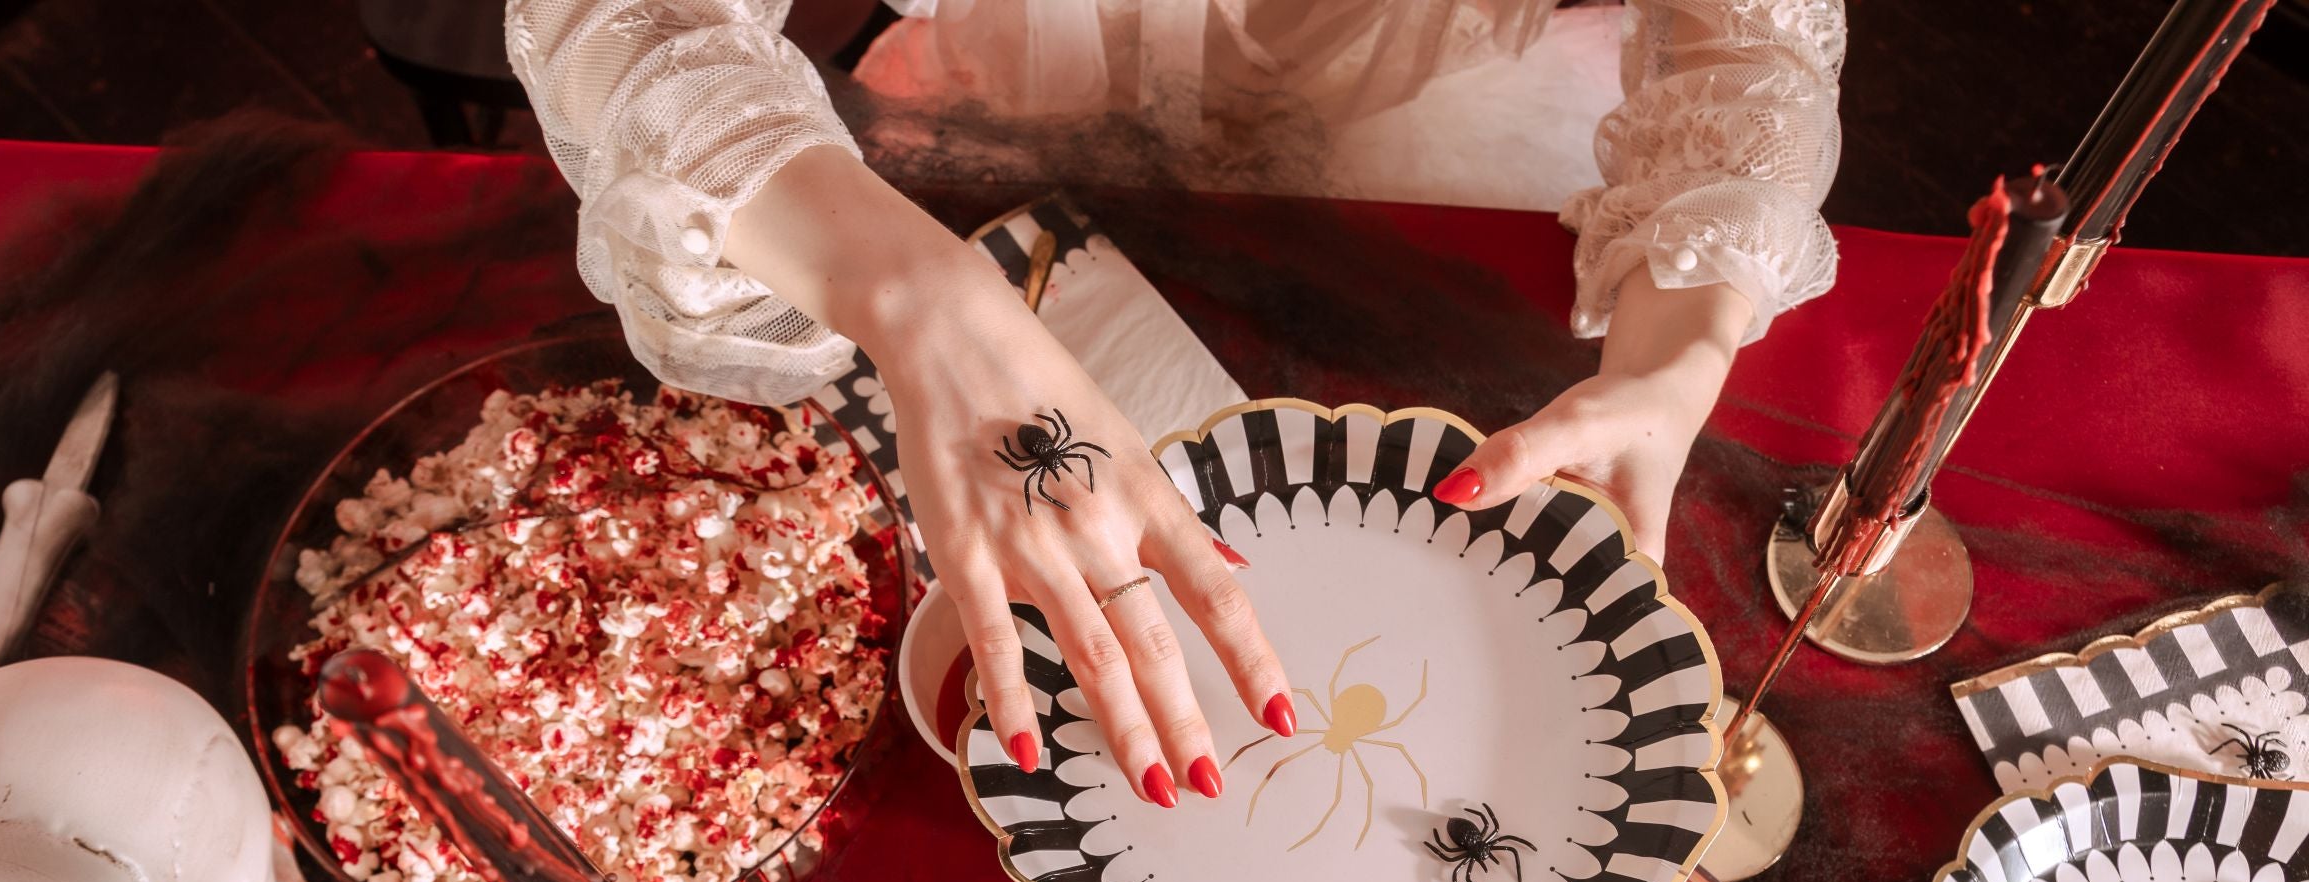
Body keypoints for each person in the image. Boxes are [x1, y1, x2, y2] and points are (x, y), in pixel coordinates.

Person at [505, 0, 1842, 813]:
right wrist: (917, 296)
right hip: (988, 135)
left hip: (1419, 151)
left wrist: (1686, 324)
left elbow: (1753, 33)